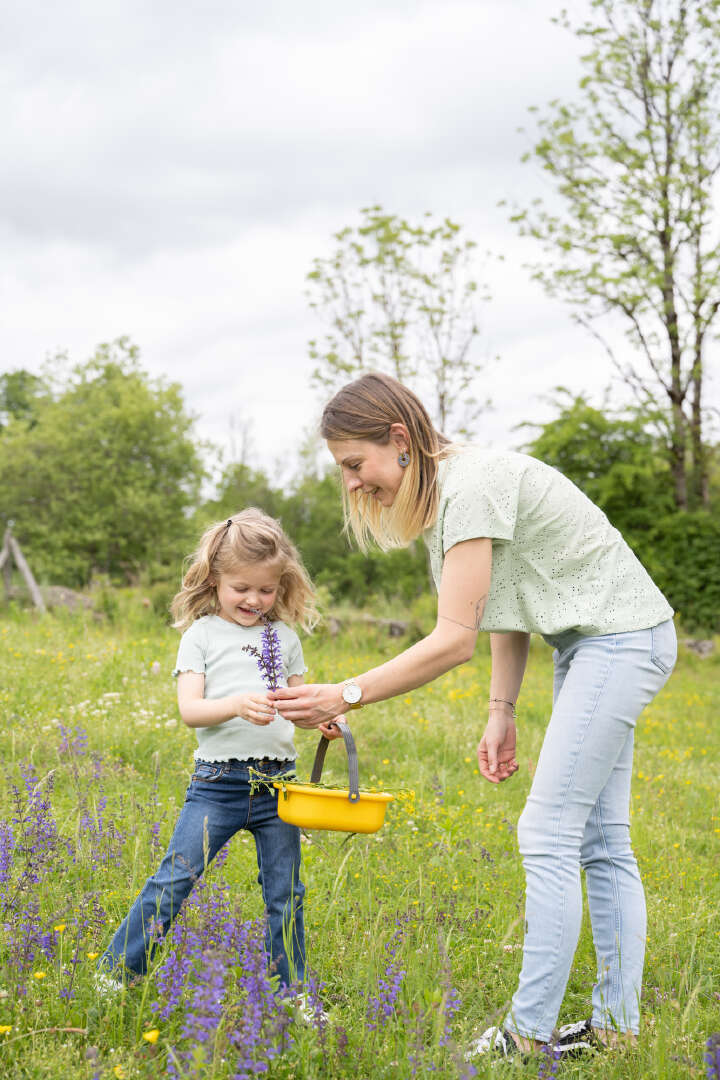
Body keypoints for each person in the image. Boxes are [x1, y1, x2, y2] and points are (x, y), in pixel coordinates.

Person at [271, 372, 677, 1060]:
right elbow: (506, 604)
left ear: (399, 439)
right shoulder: (453, 492)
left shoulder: (469, 488)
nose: (351, 482)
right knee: (602, 840)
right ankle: (615, 1028)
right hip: (595, 644)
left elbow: (453, 640)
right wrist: (501, 710)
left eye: (355, 463)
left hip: (619, 642)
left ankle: (527, 1034)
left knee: (548, 831)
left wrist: (346, 694)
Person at [97, 508, 341, 994]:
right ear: (214, 580)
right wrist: (235, 705)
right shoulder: (201, 635)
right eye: (241, 588)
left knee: (286, 894)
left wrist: (320, 719)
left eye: (266, 589)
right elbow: (191, 710)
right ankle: (115, 974)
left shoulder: (284, 638)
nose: (254, 600)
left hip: (279, 787)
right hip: (218, 786)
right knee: (175, 879)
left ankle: (291, 991)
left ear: (281, 585)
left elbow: (296, 703)